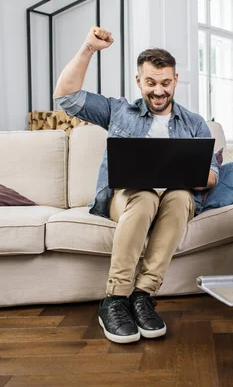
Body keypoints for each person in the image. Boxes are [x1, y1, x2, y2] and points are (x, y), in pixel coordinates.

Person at [53, 26, 218, 344]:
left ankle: (142, 296)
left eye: (165, 83)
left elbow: (211, 175)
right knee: (143, 197)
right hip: (128, 199)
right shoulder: (119, 110)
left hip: (173, 201)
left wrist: (180, 172)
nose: (159, 91)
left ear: (175, 81)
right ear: (139, 81)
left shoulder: (195, 123)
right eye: (151, 83)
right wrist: (88, 47)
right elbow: (66, 96)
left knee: (182, 196)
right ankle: (114, 299)